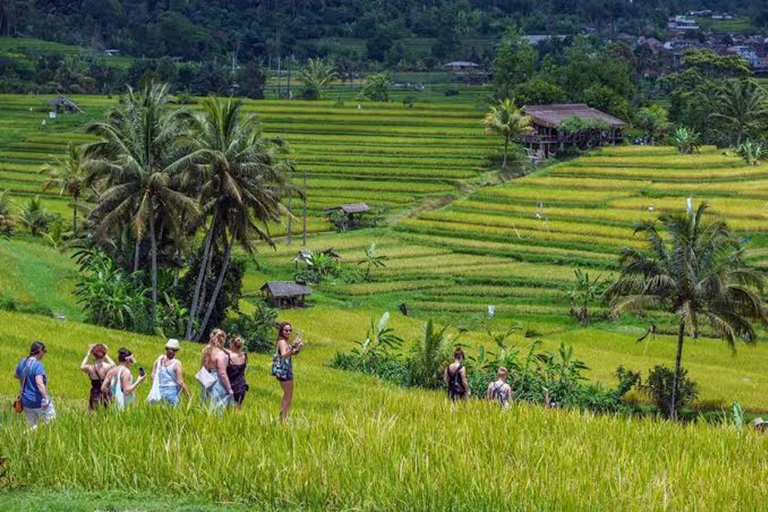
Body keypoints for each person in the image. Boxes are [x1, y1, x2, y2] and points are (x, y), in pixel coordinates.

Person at [14, 341, 55, 430]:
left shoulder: (22, 362)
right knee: (51, 422)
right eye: (44, 351)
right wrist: (46, 398)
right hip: (37, 400)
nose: (44, 353)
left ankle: (28, 439)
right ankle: (27, 433)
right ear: (39, 351)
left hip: (25, 401)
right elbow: (39, 383)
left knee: (31, 425)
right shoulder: (37, 365)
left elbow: (16, 375)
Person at [273, 322, 303, 421]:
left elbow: (290, 353)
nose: (288, 332)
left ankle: (283, 415)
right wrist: (293, 347)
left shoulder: (284, 342)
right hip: (283, 370)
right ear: (281, 331)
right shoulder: (282, 342)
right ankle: (283, 417)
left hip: (286, 369)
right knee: (288, 393)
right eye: (286, 330)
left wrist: (297, 349)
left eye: (290, 330)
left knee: (288, 393)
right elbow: (284, 355)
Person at [198, 329, 234, 411]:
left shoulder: (207, 351)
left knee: (205, 403)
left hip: (206, 379)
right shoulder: (220, 354)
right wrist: (229, 388)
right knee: (216, 406)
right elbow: (222, 374)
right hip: (216, 380)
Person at [149, 339, 189, 406]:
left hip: (159, 390)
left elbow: (152, 375)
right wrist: (188, 395)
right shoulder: (177, 363)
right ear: (176, 351)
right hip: (171, 391)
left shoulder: (159, 359)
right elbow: (180, 382)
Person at [80, 343, 115, 410]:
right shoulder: (107, 366)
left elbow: (82, 366)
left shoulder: (90, 368)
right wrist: (106, 355)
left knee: (93, 411)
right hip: (106, 392)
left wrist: (88, 353)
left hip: (95, 392)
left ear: (94, 355)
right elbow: (114, 366)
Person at [225, 336, 249, 408]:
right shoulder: (244, 356)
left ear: (232, 344)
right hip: (241, 384)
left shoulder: (228, 357)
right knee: (238, 407)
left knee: (228, 407)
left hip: (230, 384)